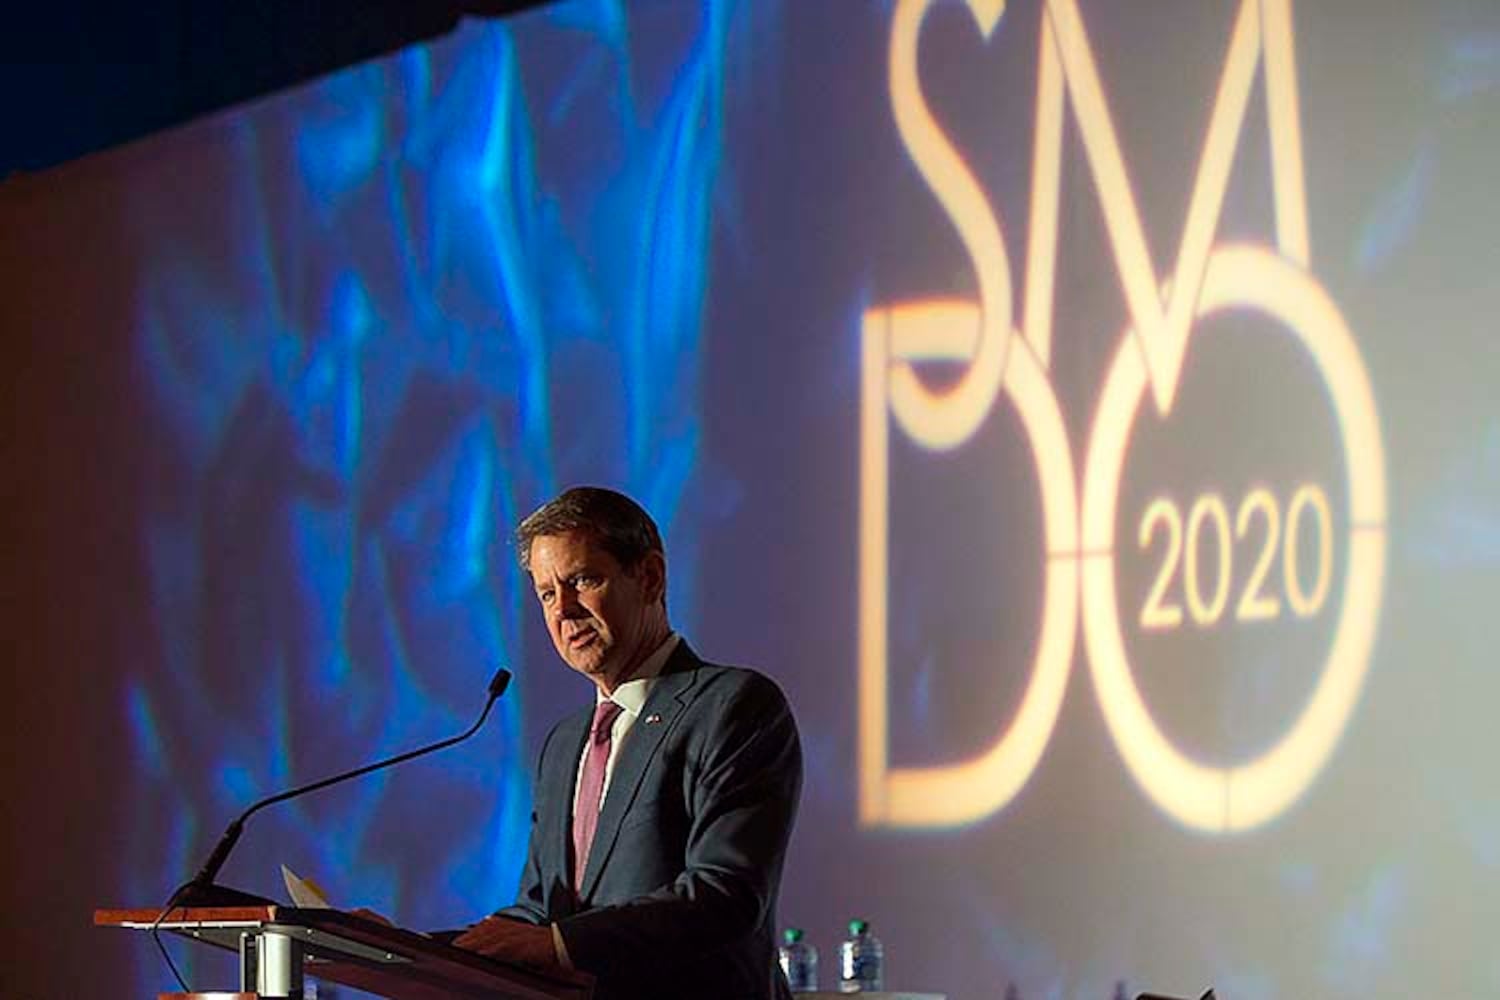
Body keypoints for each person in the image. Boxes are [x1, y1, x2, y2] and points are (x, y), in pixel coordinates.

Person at [452, 486, 803, 1000]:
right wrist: (401, 946)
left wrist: (559, 944)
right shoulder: (564, 744)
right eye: (547, 594)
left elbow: (725, 894)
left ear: (651, 577)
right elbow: (538, 912)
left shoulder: (733, 706)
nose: (563, 610)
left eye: (582, 580)